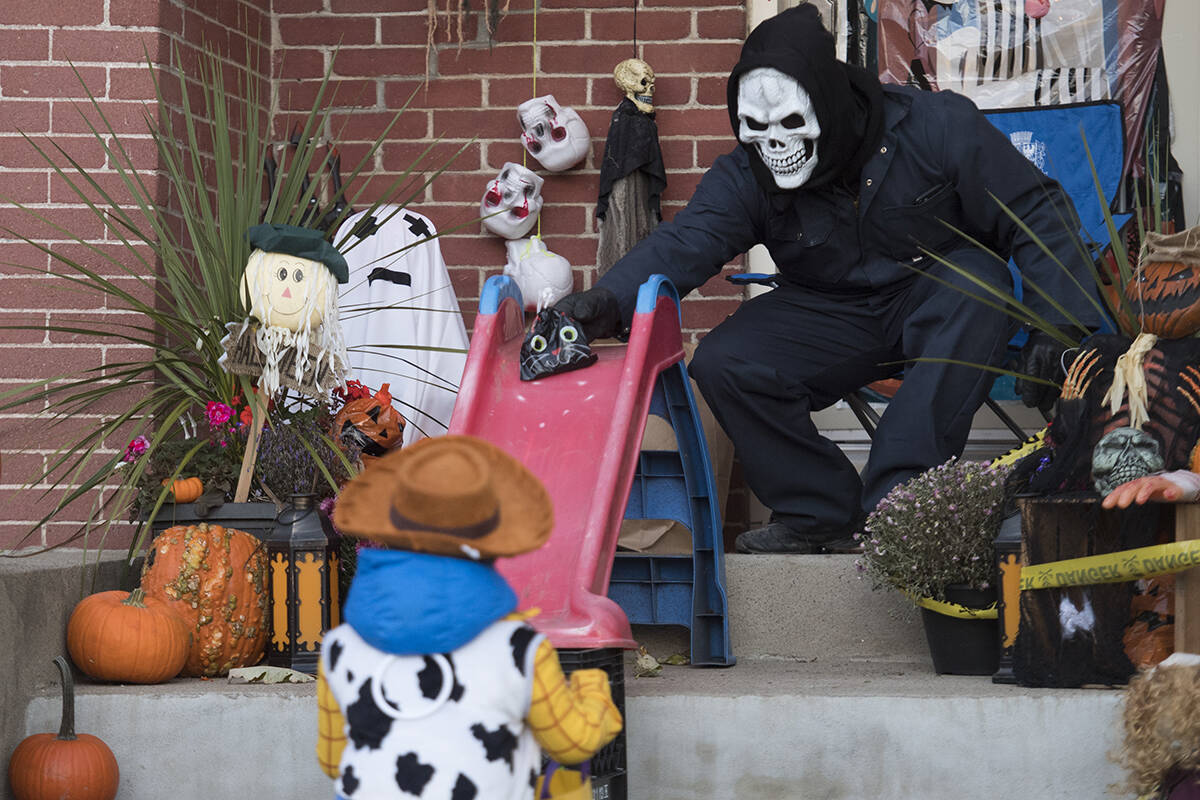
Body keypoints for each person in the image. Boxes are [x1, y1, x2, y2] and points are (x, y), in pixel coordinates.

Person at [555, 5, 1103, 555]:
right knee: (724, 362)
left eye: (790, 124)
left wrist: (1060, 323)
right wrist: (607, 299)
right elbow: (686, 241)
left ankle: (899, 505)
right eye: (757, 129)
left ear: (831, 102)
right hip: (828, 312)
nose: (775, 145)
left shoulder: (935, 125)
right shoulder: (749, 171)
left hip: (937, 297)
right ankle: (821, 511)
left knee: (979, 278)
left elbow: (1034, 209)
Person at [317, 435, 623, 799]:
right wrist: (594, 688)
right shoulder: (518, 649)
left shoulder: (340, 648)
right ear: (488, 541)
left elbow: (335, 760)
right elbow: (573, 743)